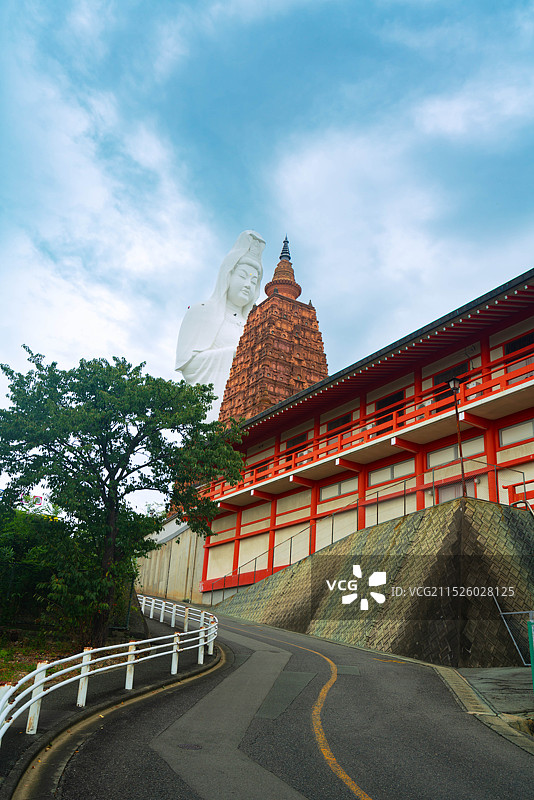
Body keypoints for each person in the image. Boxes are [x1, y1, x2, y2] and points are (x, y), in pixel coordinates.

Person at [175, 230, 265, 419]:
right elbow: (188, 366)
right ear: (228, 275)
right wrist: (234, 356)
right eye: (243, 276)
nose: (248, 284)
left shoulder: (254, 325)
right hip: (214, 408)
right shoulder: (201, 311)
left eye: (253, 280)